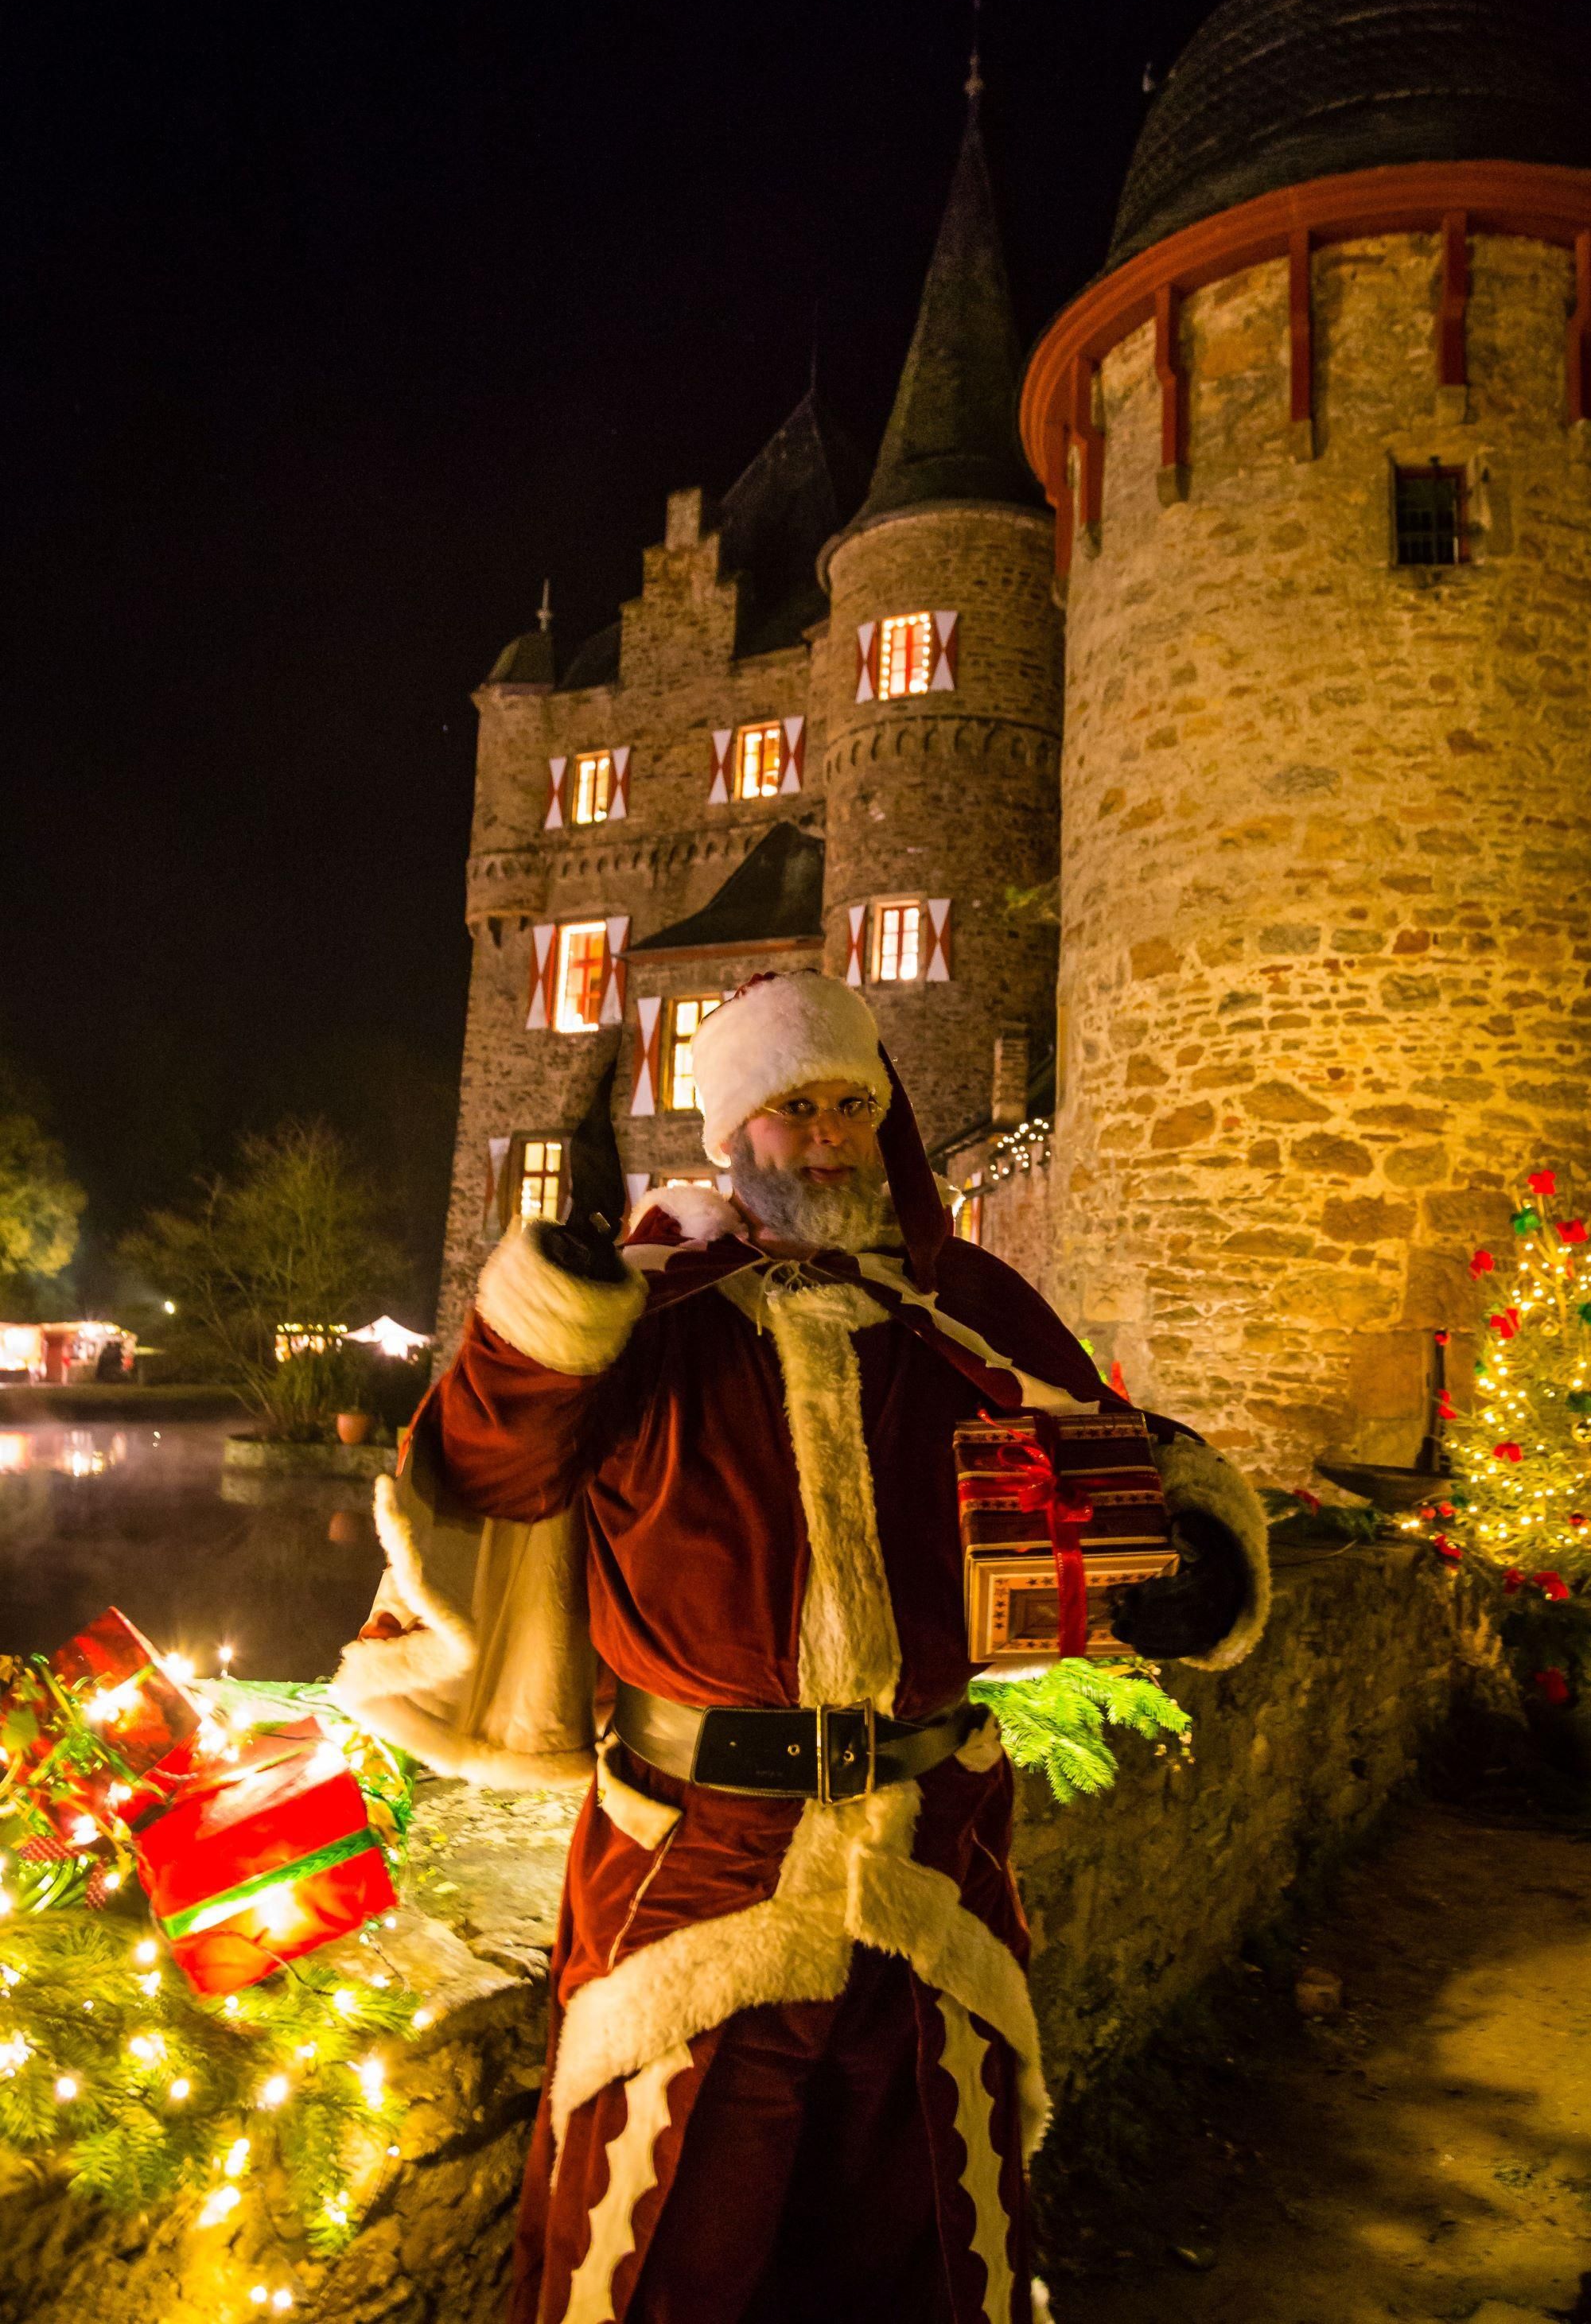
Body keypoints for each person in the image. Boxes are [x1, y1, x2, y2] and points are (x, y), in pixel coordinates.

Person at [336, 970, 1269, 2324]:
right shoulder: (648, 1311)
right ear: (732, 1133)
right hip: (700, 1866)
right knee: (661, 2264)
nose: (826, 1136)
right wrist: (543, 1322)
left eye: (849, 1105)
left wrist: (1204, 1551)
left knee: (932, 2257)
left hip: (932, 1861)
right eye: (793, 1109)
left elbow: (1113, 1450)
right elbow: (491, 1467)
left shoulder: (963, 1305)